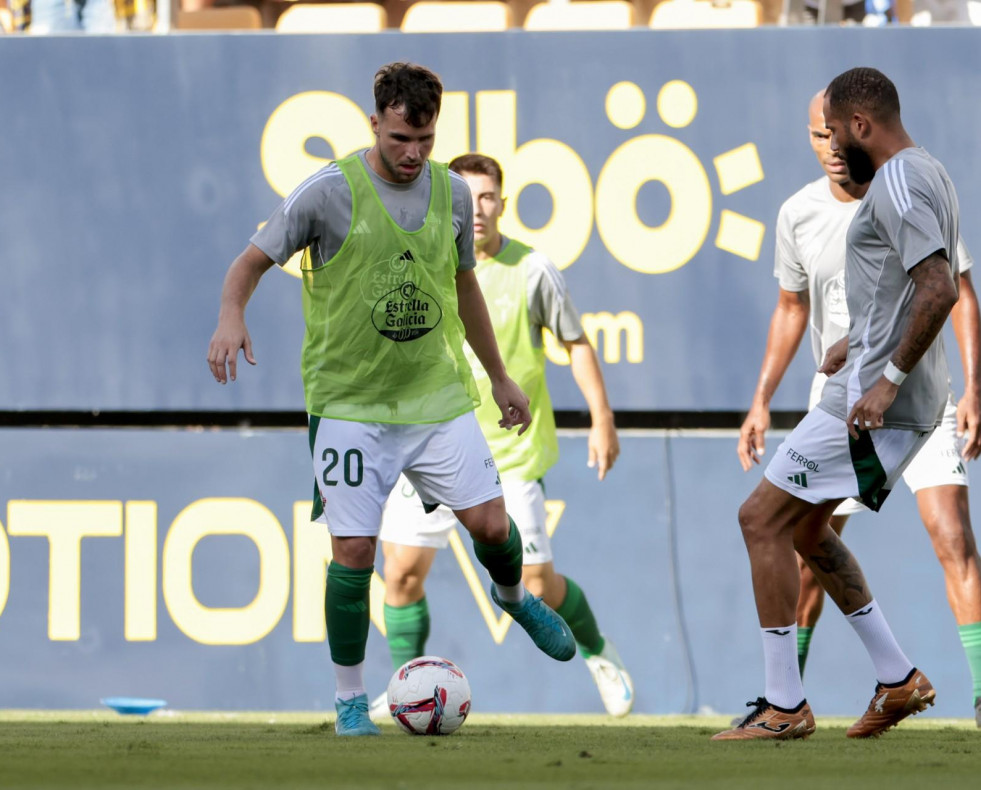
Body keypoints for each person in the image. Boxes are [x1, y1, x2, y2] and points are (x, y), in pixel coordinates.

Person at [207, 63, 576, 737]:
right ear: (374, 123)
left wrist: (497, 376)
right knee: (353, 552)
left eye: (425, 140)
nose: (412, 153)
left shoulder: (452, 195)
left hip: (436, 399)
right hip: (349, 404)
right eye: (401, 137)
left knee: (493, 527)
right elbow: (249, 263)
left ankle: (515, 598)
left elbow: (464, 287)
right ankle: (350, 699)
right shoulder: (327, 191)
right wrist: (232, 315)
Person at [714, 66, 962, 741]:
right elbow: (909, 284)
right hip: (866, 387)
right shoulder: (924, 170)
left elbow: (938, 288)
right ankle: (896, 677)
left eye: (834, 132)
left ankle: (782, 706)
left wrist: (883, 377)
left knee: (758, 519)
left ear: (860, 126)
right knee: (802, 529)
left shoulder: (900, 181)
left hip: (874, 404)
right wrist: (856, 340)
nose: (829, 146)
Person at [373, 153, 632, 718]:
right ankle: (405, 685)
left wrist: (602, 418)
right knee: (400, 574)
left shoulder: (532, 269)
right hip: (431, 445)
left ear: (503, 203)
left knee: (535, 585)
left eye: (488, 197)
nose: (479, 208)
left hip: (507, 454)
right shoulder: (419, 260)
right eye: (468, 196)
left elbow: (576, 342)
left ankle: (597, 651)